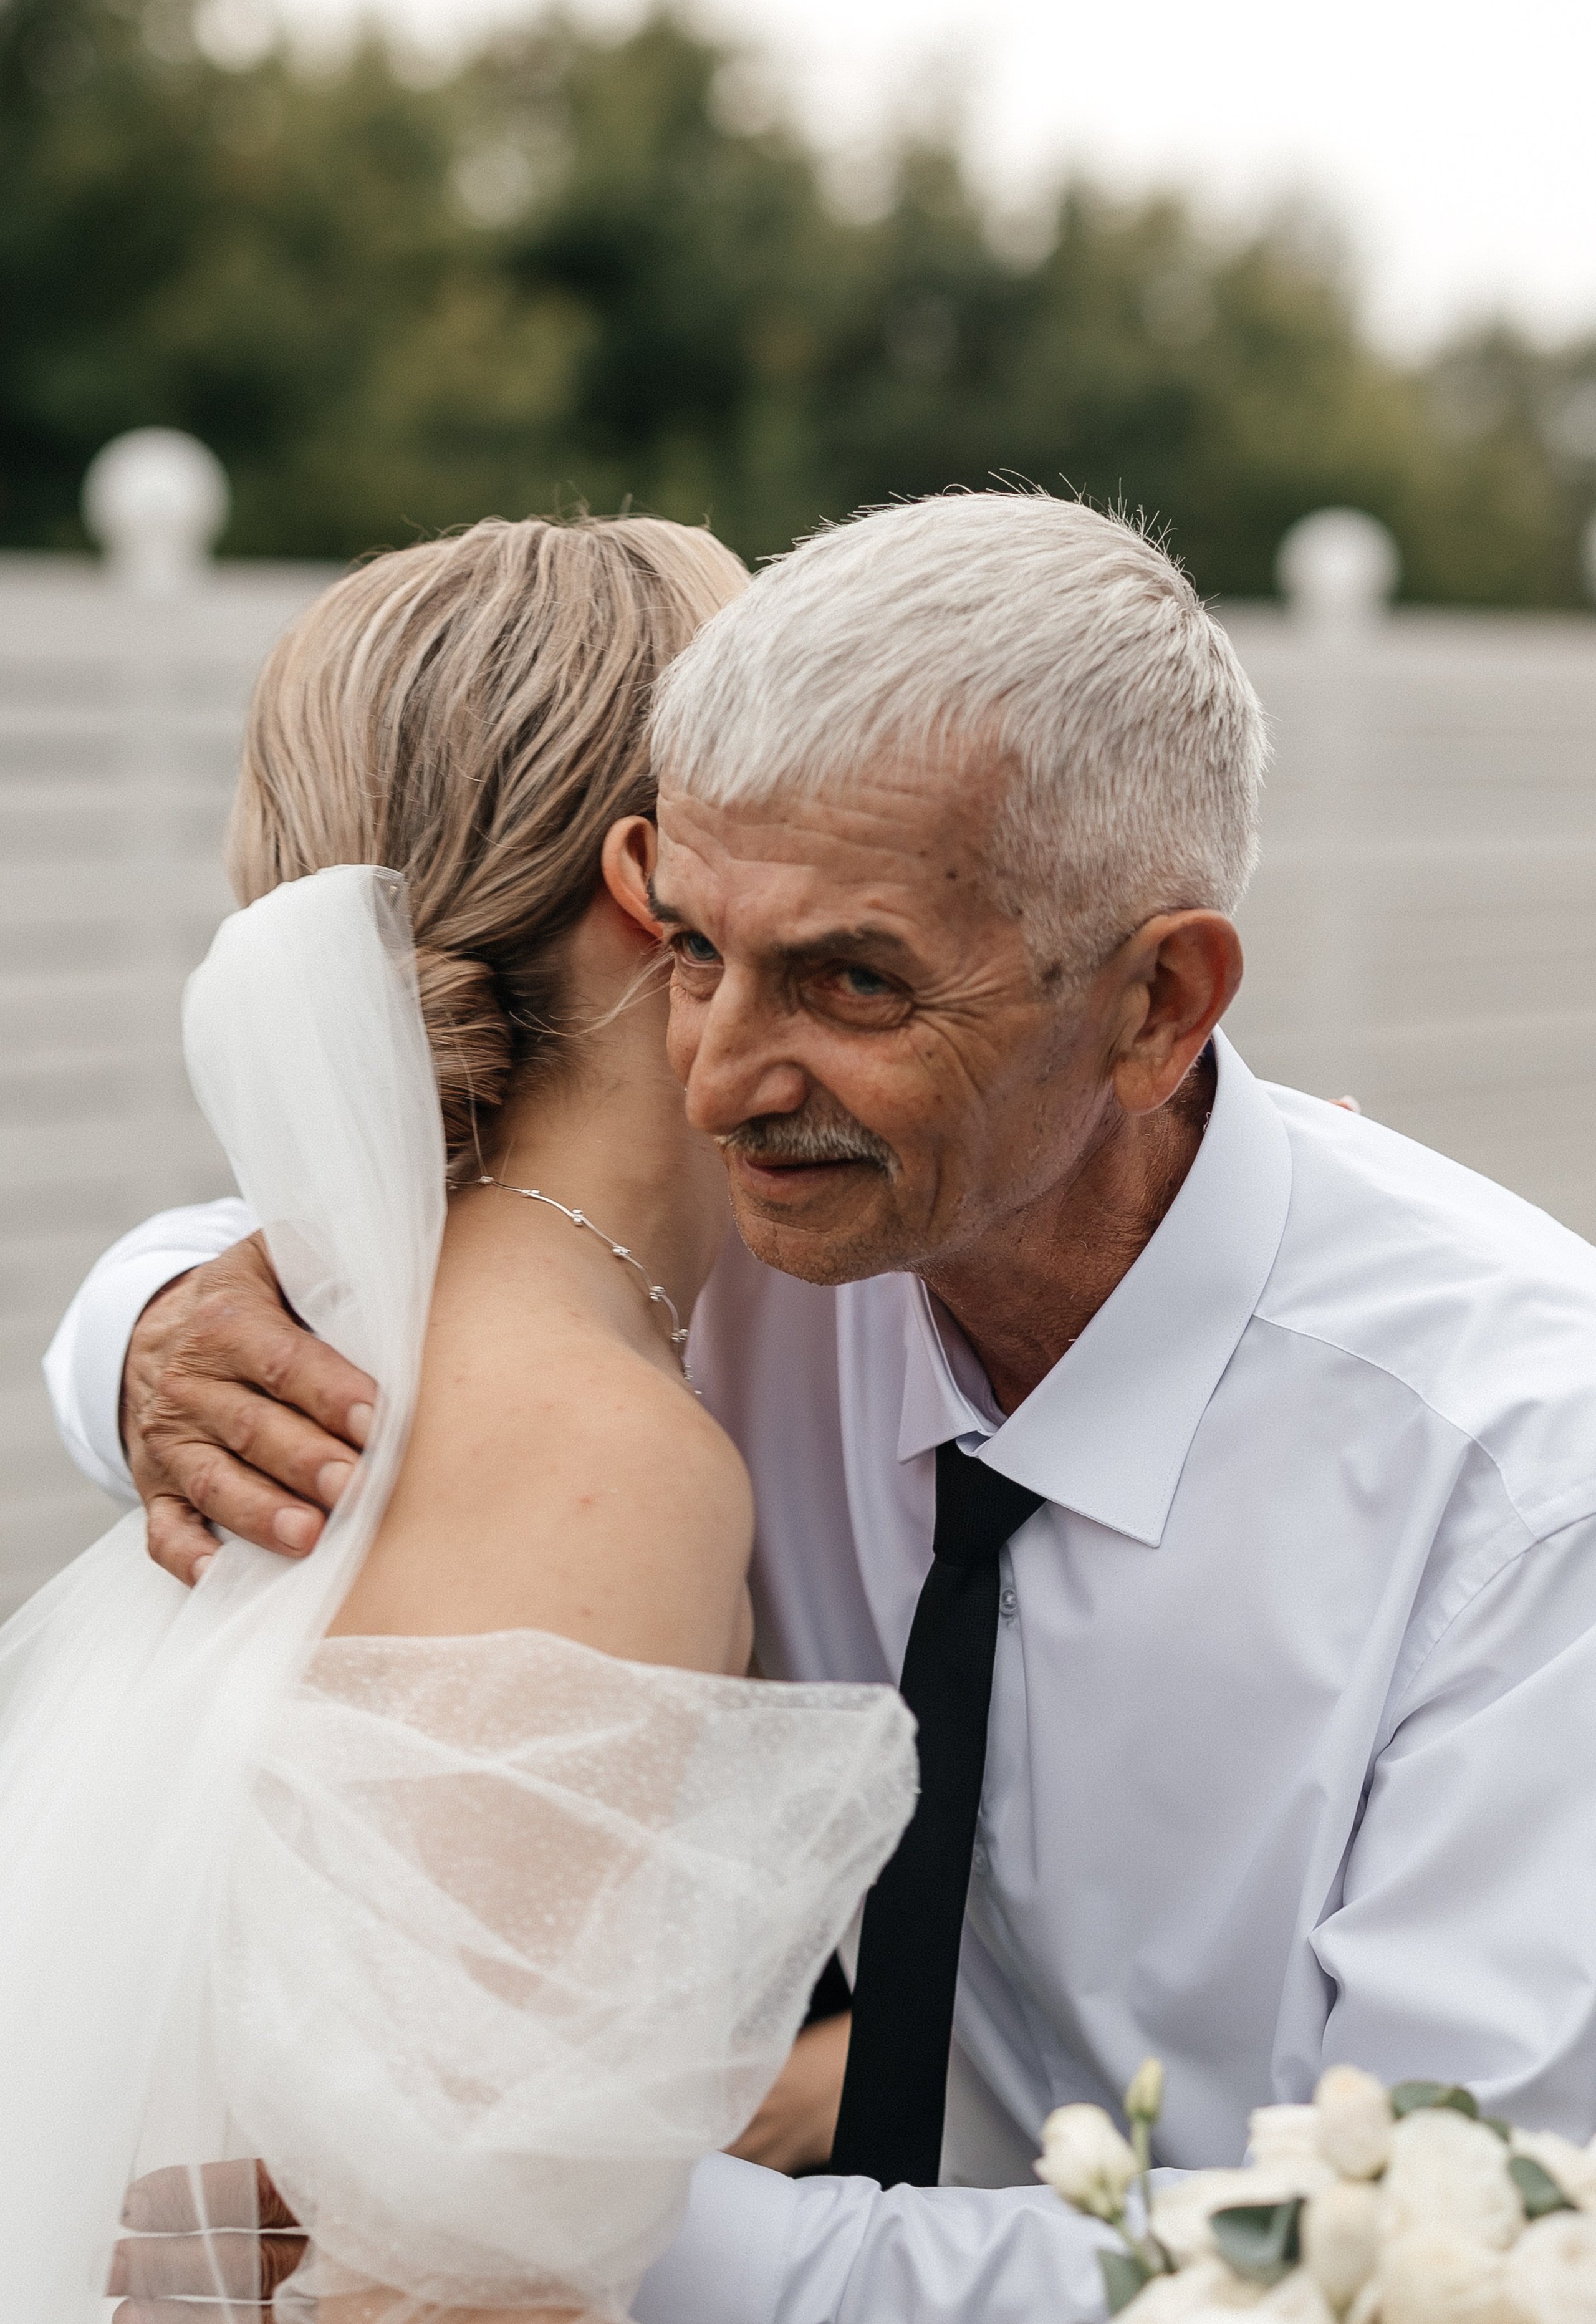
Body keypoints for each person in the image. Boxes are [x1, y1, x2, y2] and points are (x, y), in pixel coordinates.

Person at [50, 491, 1596, 2324]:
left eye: (853, 980)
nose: (714, 1078)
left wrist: (530, 2223)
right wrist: (141, 1324)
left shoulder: (1518, 1482)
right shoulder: (783, 1244)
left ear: (1158, 1001)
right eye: (694, 948)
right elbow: (450, 1249)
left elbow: (1471, 2241)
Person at [1, 513, 918, 2323]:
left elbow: (464, 2126)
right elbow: (438, 2282)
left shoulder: (414, 1324)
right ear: (655, 881)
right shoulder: (591, 1448)